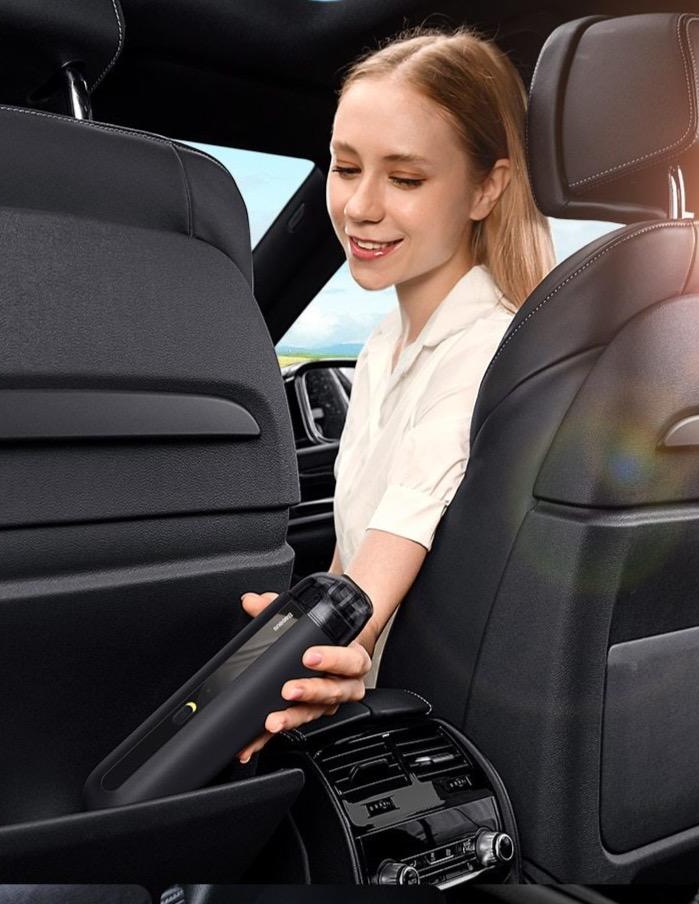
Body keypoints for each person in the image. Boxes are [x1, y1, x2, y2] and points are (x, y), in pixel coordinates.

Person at [237, 26, 555, 763]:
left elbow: (400, 530)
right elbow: (356, 555)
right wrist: (298, 627)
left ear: (487, 187)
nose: (359, 207)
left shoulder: (488, 352)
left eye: (406, 180)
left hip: (396, 736)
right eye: (345, 167)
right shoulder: (384, 342)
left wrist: (346, 633)